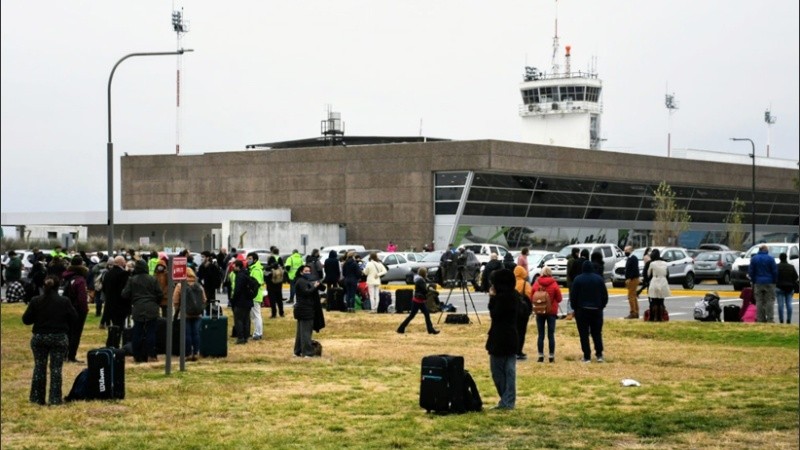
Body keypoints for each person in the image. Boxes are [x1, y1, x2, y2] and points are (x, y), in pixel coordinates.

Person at [22, 275, 78, 405]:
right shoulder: (64, 301)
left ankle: (36, 398)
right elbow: (74, 318)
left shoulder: (36, 300)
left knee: (39, 367)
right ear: (58, 286)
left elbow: (26, 320)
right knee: (56, 369)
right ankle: (54, 398)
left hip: (39, 337)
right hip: (58, 337)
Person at [485, 269, 518, 409]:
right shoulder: (515, 296)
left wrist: (492, 298)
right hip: (512, 337)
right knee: (509, 371)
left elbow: (495, 314)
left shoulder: (501, 299)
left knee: (498, 372)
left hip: (499, 338)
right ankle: (508, 400)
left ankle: (506, 400)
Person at [121, 259, 164, 363]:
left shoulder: (132, 280)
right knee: (151, 332)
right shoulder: (152, 279)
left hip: (138, 307)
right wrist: (155, 302)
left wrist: (133, 299)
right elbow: (160, 294)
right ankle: (151, 355)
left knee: (137, 332)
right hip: (152, 307)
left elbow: (124, 294)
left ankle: (137, 356)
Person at [570, 260, 608, 363]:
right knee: (597, 333)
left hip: (582, 310)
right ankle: (599, 354)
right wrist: (601, 306)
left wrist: (574, 308)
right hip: (596, 310)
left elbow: (573, 296)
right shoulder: (599, 279)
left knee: (584, 334)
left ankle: (587, 356)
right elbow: (605, 295)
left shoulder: (578, 280)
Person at [172, 267, 206, 361]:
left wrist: (177, 310)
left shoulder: (180, 285)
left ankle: (188, 353)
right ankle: (196, 352)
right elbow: (204, 299)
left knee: (187, 334)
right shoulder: (198, 285)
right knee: (196, 333)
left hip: (185, 313)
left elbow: (175, 300)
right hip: (197, 314)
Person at [531, 267, 562, 363]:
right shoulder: (554, 284)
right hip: (551, 311)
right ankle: (551, 356)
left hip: (540, 311)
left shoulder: (537, 283)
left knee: (541, 334)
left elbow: (531, 296)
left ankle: (540, 355)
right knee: (550, 334)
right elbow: (560, 298)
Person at [61, 256, 89, 363]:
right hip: (77, 310)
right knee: (76, 334)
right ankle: (71, 356)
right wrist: (85, 310)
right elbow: (82, 298)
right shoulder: (80, 280)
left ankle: (64, 354)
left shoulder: (67, 277)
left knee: (67, 333)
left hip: (66, 308)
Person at [293, 265, 326, 357]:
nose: (308, 273)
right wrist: (315, 286)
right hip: (305, 310)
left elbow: (323, 288)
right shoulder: (301, 281)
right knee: (306, 333)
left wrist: (317, 284)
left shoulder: (305, 281)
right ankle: (307, 352)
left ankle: (298, 351)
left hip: (303, 310)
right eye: (306, 271)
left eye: (309, 271)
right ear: (301, 272)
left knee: (301, 333)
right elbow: (306, 292)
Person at [397, 267, 440, 334]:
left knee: (425, 314)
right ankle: (401, 328)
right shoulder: (420, 281)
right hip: (418, 301)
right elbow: (425, 290)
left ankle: (430, 329)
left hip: (419, 300)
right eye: (426, 273)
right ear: (424, 273)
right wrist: (430, 289)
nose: (427, 274)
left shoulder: (420, 279)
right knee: (413, 315)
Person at [748, 244, 778, 323]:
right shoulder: (771, 259)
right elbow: (774, 271)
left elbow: (751, 272)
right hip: (769, 282)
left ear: (759, 250)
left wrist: (754, 280)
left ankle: (760, 319)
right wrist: (774, 281)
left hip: (758, 282)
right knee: (770, 301)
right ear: (766, 250)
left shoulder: (754, 259)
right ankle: (770, 319)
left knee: (759, 301)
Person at [102, 256, 132, 328]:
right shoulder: (123, 274)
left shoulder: (108, 274)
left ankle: (113, 338)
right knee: (120, 325)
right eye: (124, 261)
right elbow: (125, 291)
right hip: (121, 305)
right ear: (121, 262)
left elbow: (104, 288)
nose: (125, 262)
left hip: (110, 304)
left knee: (114, 326)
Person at [230, 260, 254, 345]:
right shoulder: (247, 274)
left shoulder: (239, 276)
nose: (233, 267)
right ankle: (246, 336)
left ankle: (240, 337)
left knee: (238, 319)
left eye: (234, 266)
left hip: (240, 301)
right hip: (248, 301)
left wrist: (233, 300)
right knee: (246, 319)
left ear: (238, 267)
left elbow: (237, 290)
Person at [513, 265, 532, 360]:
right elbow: (530, 295)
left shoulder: (512, 283)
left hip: (513, 310)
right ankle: (519, 351)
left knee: (514, 330)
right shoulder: (526, 284)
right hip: (523, 311)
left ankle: (513, 350)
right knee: (522, 331)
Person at [646, 249, 670, 322]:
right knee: (661, 301)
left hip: (655, 281)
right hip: (663, 281)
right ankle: (661, 317)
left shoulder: (652, 264)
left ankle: (655, 317)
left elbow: (648, 274)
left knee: (654, 301)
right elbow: (668, 274)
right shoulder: (665, 263)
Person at [246, 252, 265, 340]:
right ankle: (257, 332)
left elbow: (255, 284)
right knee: (255, 315)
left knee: (256, 315)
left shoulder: (256, 270)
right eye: (247, 258)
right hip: (256, 295)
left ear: (255, 260)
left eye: (250, 259)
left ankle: (258, 333)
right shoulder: (253, 268)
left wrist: (251, 293)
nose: (248, 260)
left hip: (255, 295)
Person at [775, 253, 798, 324]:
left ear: (780, 258)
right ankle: (789, 320)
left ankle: (781, 320)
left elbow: (774, 276)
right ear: (786, 257)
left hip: (779, 287)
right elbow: (796, 277)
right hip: (790, 287)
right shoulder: (791, 267)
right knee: (789, 304)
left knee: (780, 305)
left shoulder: (777, 266)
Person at [266, 248, 285, 319]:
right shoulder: (279, 261)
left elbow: (267, 273)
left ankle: (274, 314)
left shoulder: (270, 262)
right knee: (279, 299)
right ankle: (281, 313)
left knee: (272, 299)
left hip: (271, 284)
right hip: (279, 283)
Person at [564, 247, 582, 320]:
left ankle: (572, 312)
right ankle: (569, 312)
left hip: (571, 282)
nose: (578, 254)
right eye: (577, 252)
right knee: (571, 297)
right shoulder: (572, 261)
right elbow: (572, 272)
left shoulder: (572, 260)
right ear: (575, 253)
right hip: (571, 282)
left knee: (573, 297)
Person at [623, 245, 640, 319]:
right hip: (631, 279)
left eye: (626, 250)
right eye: (624, 250)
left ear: (630, 250)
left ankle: (633, 312)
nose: (625, 252)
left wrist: (629, 278)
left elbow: (634, 270)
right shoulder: (630, 258)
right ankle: (636, 312)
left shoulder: (633, 258)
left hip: (633, 279)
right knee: (633, 296)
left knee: (631, 297)